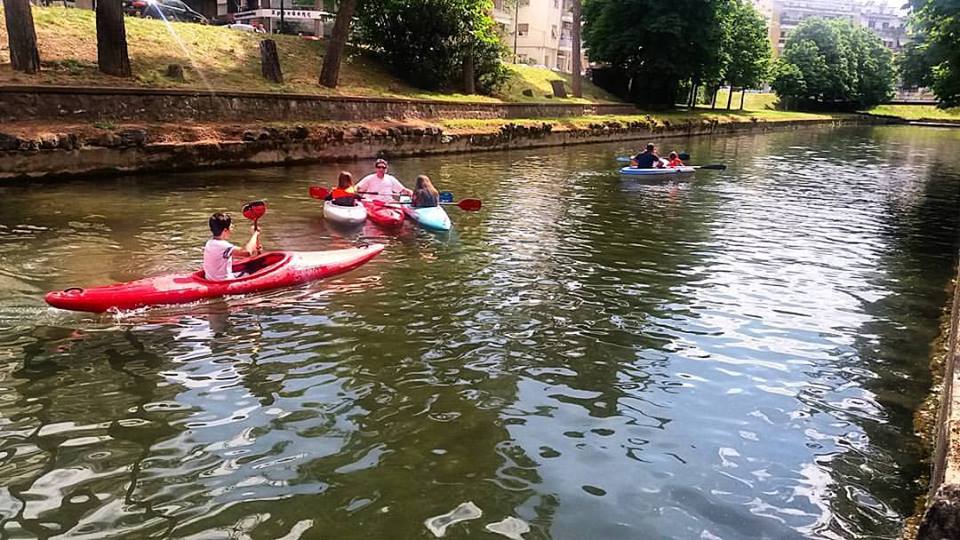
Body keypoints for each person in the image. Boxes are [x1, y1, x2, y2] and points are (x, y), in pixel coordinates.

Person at [203, 212, 261, 281]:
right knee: (251, 272)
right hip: (223, 281)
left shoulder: (209, 243)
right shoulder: (223, 246)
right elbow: (247, 253)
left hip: (211, 279)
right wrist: (255, 234)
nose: (232, 227)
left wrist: (256, 250)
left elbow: (238, 254)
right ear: (225, 230)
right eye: (231, 226)